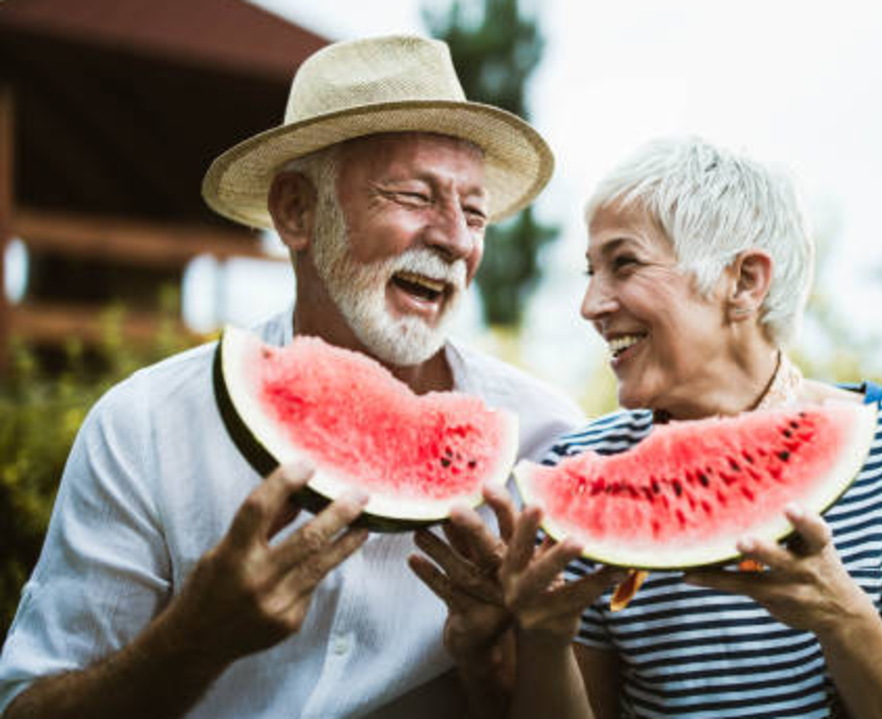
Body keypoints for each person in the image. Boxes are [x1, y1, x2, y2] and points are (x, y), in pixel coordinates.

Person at [0, 35, 582, 719]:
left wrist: (496, 668)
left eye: (475, 211)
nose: (455, 237)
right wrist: (192, 640)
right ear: (296, 211)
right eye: (414, 195)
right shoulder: (146, 425)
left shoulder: (547, 441)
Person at [428, 136, 882, 718]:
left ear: (745, 283)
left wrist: (840, 615)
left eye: (623, 263)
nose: (590, 304)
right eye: (590, 271)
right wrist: (543, 638)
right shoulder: (579, 470)